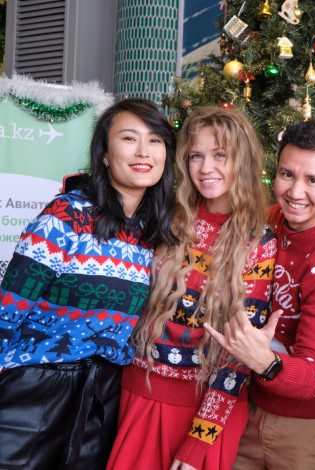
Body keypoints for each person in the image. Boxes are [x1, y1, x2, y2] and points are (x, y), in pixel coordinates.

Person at [0, 97, 176, 469]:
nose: (143, 151)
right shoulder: (67, 214)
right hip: (34, 387)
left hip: (102, 395)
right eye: (129, 138)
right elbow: (8, 307)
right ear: (105, 154)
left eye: (155, 140)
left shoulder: (155, 233)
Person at [106, 107, 276, 470]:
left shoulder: (259, 241)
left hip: (207, 413)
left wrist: (200, 440)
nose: (205, 168)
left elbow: (237, 356)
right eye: (196, 156)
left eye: (220, 155)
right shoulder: (167, 217)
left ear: (242, 160)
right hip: (139, 392)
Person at [205, 119, 315, 470]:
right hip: (248, 405)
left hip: (309, 426)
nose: (295, 191)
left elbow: (314, 373)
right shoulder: (271, 220)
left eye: (313, 180)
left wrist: (262, 360)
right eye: (287, 174)